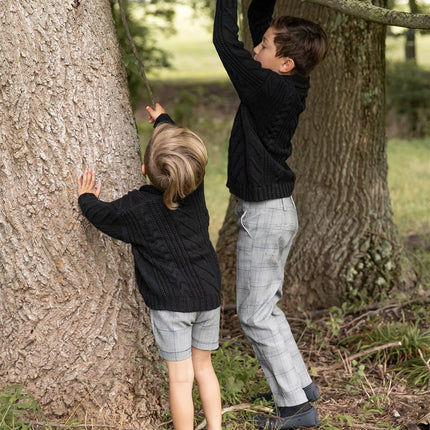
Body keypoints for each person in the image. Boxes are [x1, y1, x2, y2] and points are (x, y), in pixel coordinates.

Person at [213, 0, 328, 428]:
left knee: (255, 313)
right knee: (266, 308)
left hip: (265, 216)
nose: (255, 48)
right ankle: (299, 387)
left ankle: (296, 411)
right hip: (273, 210)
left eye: (262, 46)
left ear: (282, 63)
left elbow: (224, 41)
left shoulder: (268, 87)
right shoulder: (289, 80)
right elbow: (259, 21)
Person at [77, 104, 222, 430]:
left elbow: (103, 216)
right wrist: (164, 120)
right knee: (204, 368)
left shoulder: (138, 209)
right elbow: (182, 156)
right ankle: (216, 428)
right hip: (209, 295)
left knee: (181, 379)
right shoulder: (194, 189)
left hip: (173, 304)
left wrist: (86, 198)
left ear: (144, 168)